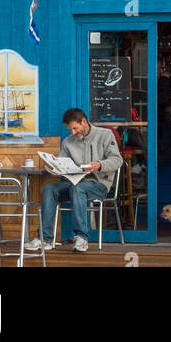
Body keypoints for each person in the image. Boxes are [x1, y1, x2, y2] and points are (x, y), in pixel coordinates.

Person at [27, 107, 122, 254]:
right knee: (50, 189)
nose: (72, 133)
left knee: (78, 189)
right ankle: (44, 239)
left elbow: (117, 160)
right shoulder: (68, 142)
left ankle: (81, 238)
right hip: (73, 183)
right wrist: (56, 168)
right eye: (69, 129)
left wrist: (99, 165)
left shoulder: (105, 135)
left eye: (75, 128)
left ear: (84, 122)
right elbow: (62, 163)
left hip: (99, 184)